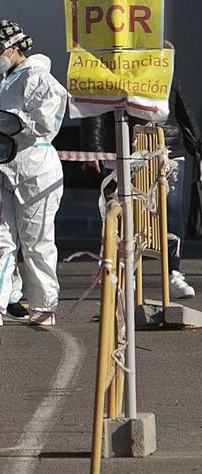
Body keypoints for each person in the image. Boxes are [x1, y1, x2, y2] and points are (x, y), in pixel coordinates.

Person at [80, 63, 200, 299]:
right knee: (125, 215)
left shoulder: (163, 62)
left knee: (171, 213)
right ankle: (129, 275)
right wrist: (92, 146)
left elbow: (180, 103)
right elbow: (95, 104)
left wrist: (196, 147)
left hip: (167, 147)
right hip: (122, 147)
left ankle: (174, 273)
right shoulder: (109, 63)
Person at [0, 19, 69, 326]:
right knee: (2, 241)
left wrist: (9, 120)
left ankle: (45, 305)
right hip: (2, 170)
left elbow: (46, 122)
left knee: (37, 242)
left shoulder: (38, 78)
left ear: (16, 46)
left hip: (36, 172)